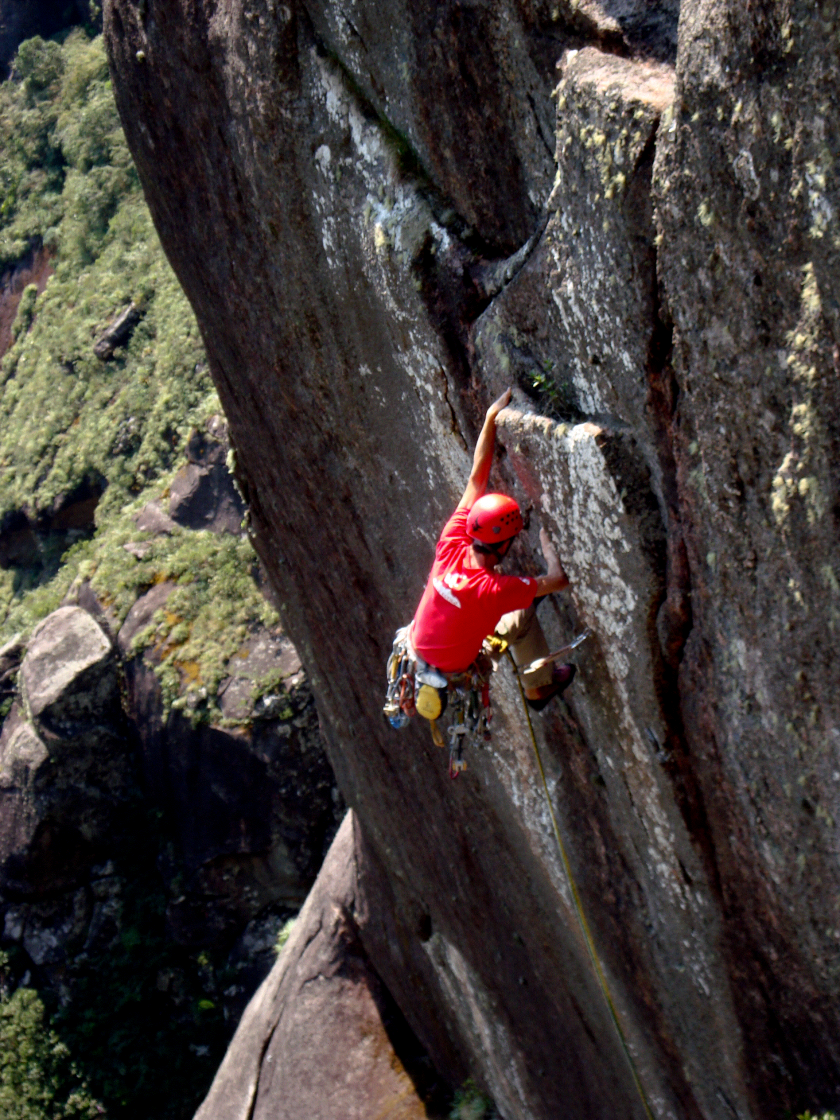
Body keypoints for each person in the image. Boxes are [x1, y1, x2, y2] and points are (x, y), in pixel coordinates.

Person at [409, 388, 575, 711]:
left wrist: (490, 418)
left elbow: (476, 479)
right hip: (453, 672)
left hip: (419, 652)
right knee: (523, 612)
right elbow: (558, 580)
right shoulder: (492, 590)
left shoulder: (452, 541)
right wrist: (548, 546)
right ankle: (539, 688)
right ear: (504, 545)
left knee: (520, 599)